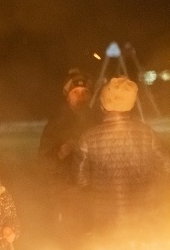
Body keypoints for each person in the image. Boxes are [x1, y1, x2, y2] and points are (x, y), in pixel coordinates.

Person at [74, 76, 170, 234]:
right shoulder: (148, 134)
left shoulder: (87, 138)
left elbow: (80, 180)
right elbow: (167, 166)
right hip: (143, 219)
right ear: (131, 105)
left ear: (103, 105)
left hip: (104, 221)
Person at [37, 68, 94, 239]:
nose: (81, 96)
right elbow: (43, 161)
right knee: (68, 236)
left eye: (85, 92)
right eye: (75, 92)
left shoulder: (96, 120)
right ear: (67, 95)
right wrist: (61, 152)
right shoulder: (56, 124)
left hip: (93, 191)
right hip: (65, 191)